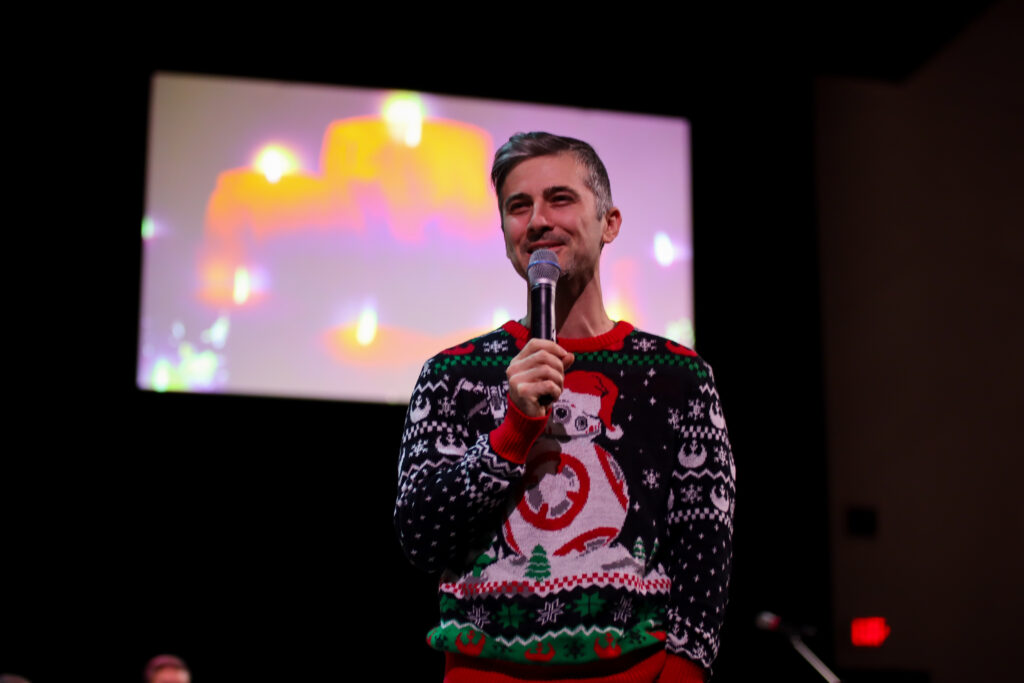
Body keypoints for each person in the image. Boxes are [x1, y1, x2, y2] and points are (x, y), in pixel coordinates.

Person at [395, 132, 735, 682]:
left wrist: (681, 675)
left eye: (559, 199)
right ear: (505, 233)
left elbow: (704, 550)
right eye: (518, 206)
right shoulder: (451, 375)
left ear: (609, 223)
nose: (537, 221)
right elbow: (422, 537)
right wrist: (513, 430)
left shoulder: (680, 377)